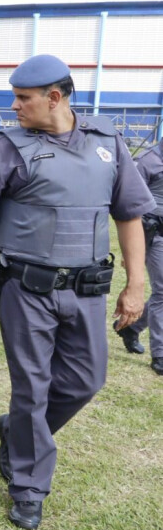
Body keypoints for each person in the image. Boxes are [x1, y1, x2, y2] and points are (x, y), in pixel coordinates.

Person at [0, 54, 151, 530]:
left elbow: (129, 216)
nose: (14, 107)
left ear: (54, 98)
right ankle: (29, 486)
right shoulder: (7, 148)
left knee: (86, 381)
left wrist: (135, 284)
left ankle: (17, 432)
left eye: (23, 99)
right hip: (26, 290)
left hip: (87, 290)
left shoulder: (107, 143)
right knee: (32, 389)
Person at [115, 139, 163, 374]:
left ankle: (132, 328)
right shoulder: (148, 160)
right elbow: (130, 203)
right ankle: (161, 354)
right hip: (154, 236)